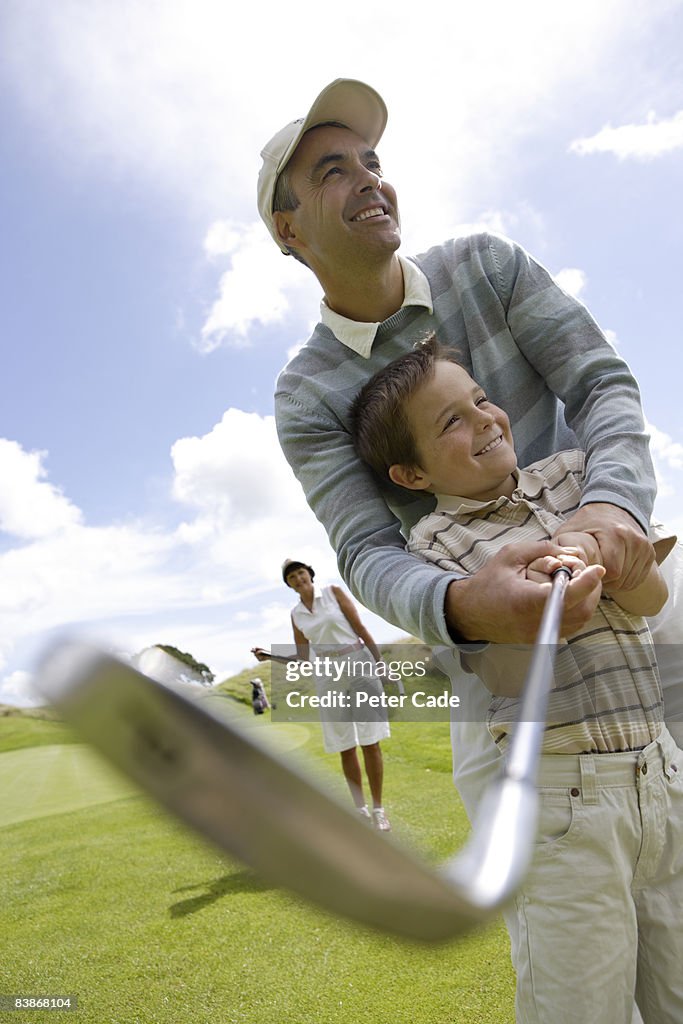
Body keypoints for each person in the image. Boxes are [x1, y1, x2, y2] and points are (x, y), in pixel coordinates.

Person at [256, 80, 678, 1022]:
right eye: (333, 172)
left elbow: (602, 385)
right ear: (289, 232)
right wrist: (458, 605)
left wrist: (610, 509)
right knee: (574, 961)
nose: (370, 180)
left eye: (371, 161)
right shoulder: (305, 395)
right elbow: (367, 551)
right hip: (497, 661)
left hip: (629, 586)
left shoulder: (486, 263)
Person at [349, 336, 683, 1019]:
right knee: (582, 1005)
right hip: (562, 808)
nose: (484, 421)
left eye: (479, 400)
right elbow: (496, 673)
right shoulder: (435, 550)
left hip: (660, 778)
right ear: (410, 476)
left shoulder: (573, 477)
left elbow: (651, 605)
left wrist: (626, 566)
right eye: (451, 422)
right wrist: (532, 621)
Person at [252, 558, 392, 831]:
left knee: (370, 740)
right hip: (327, 675)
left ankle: (378, 811)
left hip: (358, 665)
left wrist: (381, 666)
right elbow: (304, 658)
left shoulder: (333, 593)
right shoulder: (297, 614)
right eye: (291, 577)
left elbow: (361, 630)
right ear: (289, 585)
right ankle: (360, 811)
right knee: (345, 745)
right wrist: (270, 656)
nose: (298, 578)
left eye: (301, 572)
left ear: (310, 574)